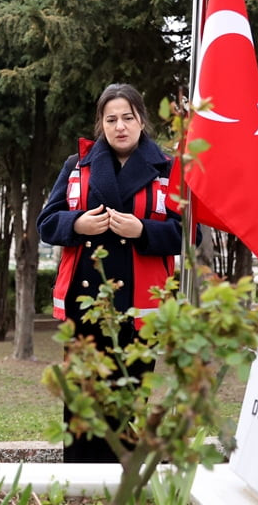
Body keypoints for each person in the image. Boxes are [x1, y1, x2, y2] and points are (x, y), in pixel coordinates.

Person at [37, 84, 183, 463]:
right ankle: (79, 484)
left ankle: (122, 487)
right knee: (82, 407)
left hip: (139, 312)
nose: (120, 126)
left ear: (141, 120)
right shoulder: (77, 166)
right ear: (101, 124)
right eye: (111, 119)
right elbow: (46, 223)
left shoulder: (167, 168)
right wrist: (77, 224)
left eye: (127, 118)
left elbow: (189, 233)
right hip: (86, 309)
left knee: (127, 407)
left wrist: (143, 230)